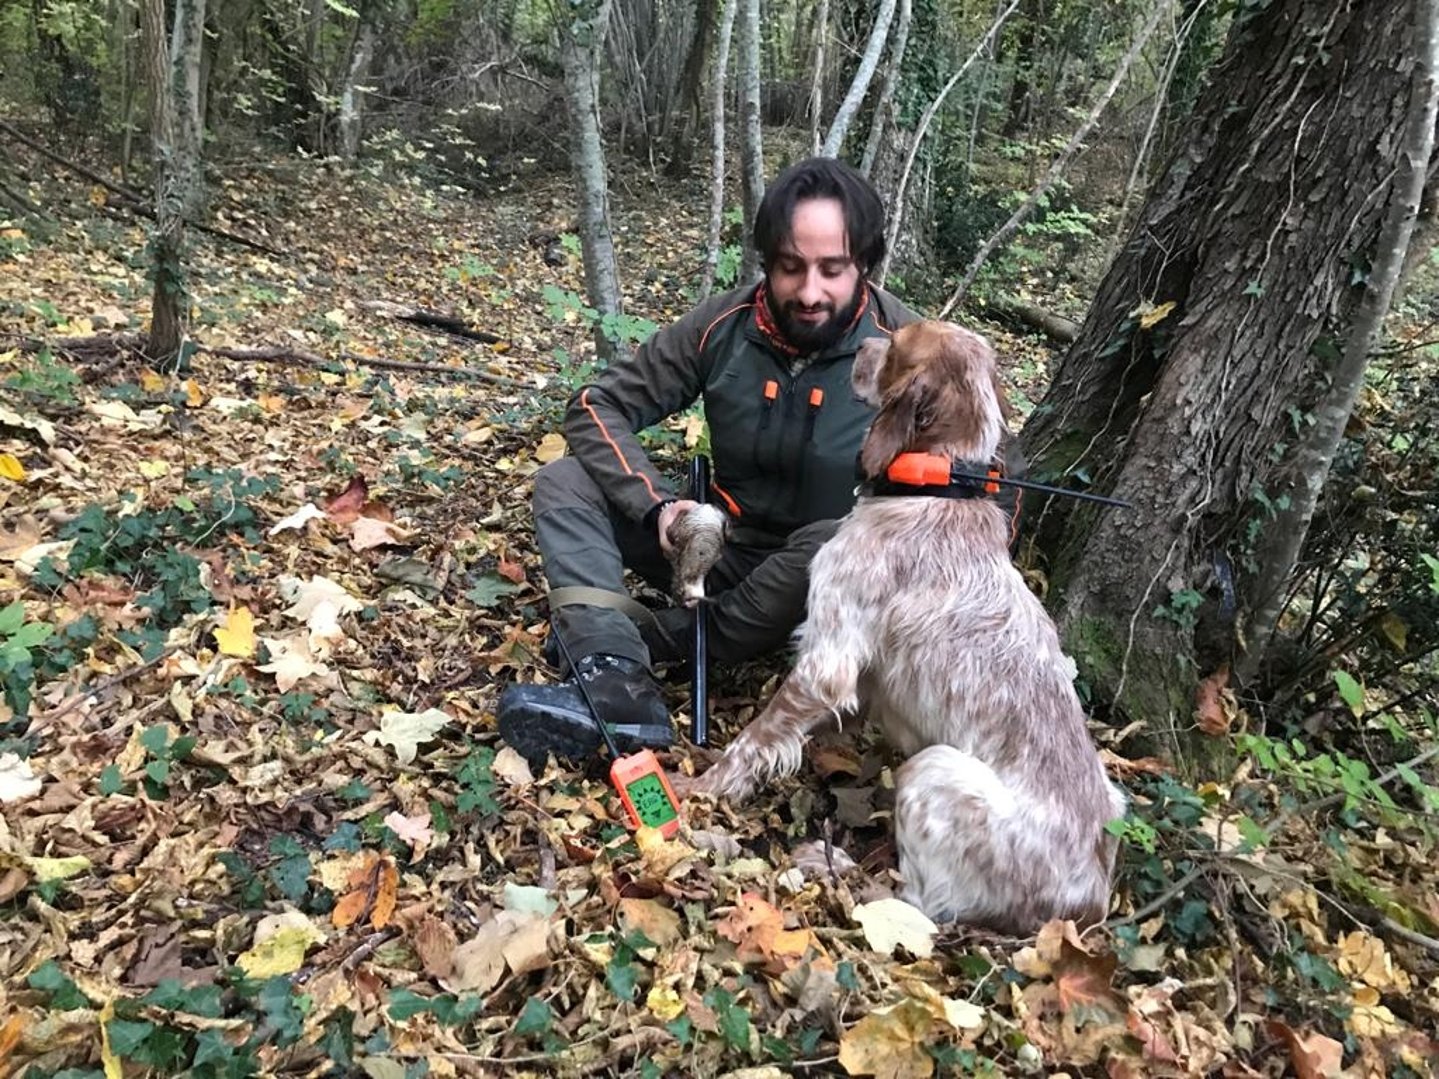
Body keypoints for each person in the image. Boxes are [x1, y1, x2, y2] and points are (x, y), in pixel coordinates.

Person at [497, 157, 922, 769]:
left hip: (828, 586)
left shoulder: (908, 348)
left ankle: (658, 638)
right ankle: (616, 678)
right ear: (767, 262)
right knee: (566, 480)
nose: (809, 292)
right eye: (790, 267)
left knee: (844, 539)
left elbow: (993, 471)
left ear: (864, 265)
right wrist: (658, 508)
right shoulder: (723, 325)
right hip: (722, 551)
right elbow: (597, 404)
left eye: (832, 270)